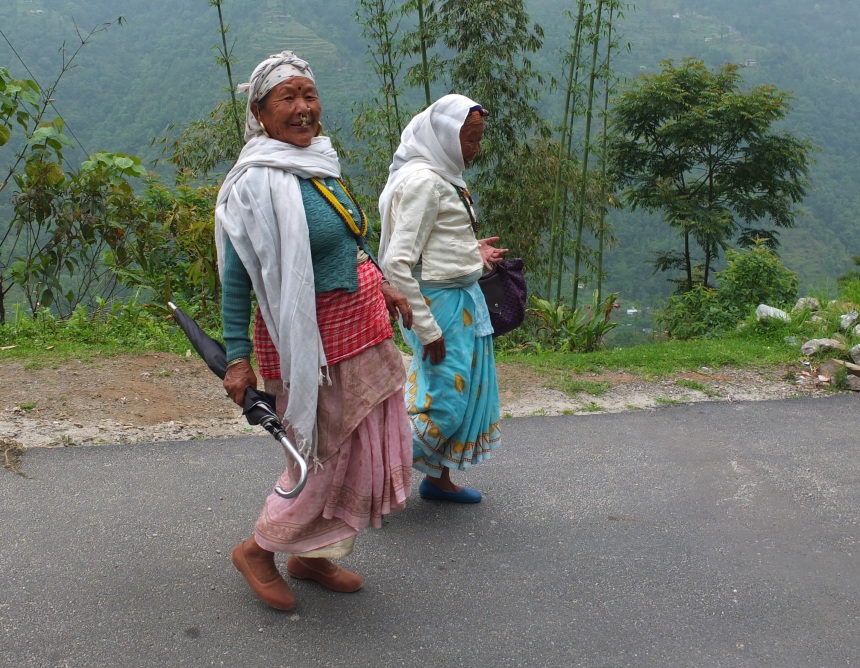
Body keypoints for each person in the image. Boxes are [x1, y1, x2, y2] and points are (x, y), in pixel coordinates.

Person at [215, 51, 414, 611]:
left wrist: (383, 283)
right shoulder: (252, 186)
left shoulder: (319, 163)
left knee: (359, 448)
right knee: (326, 455)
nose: (303, 109)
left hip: (363, 331)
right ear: (260, 112)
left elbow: (349, 237)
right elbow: (236, 282)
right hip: (311, 347)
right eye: (288, 99)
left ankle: (313, 553)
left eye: (310, 96)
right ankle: (258, 550)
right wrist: (236, 358)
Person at [378, 94, 507, 504]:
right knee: (443, 405)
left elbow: (436, 243)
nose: (475, 149)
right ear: (443, 138)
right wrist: (427, 327)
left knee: (460, 393)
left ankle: (438, 479)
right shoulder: (424, 183)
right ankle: (370, 479)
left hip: (460, 301)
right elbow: (397, 264)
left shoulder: (443, 175)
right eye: (469, 139)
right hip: (437, 307)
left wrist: (473, 252)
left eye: (478, 139)